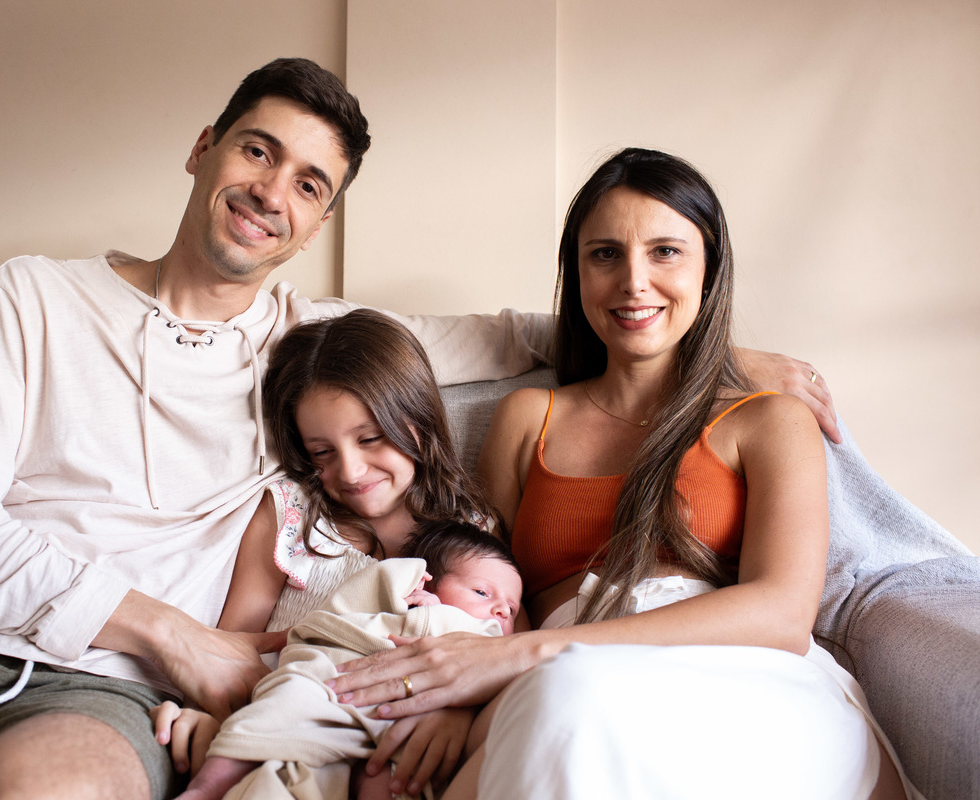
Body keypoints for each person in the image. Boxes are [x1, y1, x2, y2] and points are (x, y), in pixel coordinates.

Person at [0, 58, 548, 800]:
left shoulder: (313, 351)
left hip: (100, 690)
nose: (271, 192)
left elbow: (519, 336)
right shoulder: (30, 296)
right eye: (258, 151)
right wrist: (175, 636)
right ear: (202, 148)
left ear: (316, 227)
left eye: (308, 185)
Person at [327, 148, 922, 800]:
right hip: (551, 683)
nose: (634, 281)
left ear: (709, 268)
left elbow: (782, 613)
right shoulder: (528, 417)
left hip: (739, 676)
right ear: (577, 274)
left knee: (568, 697)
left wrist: (521, 658)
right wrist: (466, 690)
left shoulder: (771, 420)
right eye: (605, 254)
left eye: (665, 252)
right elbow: (486, 583)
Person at [153, 310, 502, 799]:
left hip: (399, 747)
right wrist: (204, 716)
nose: (351, 471)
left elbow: (504, 648)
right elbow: (231, 647)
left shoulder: (474, 531)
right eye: (322, 452)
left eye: (370, 439)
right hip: (286, 732)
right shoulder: (290, 516)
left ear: (419, 418)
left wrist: (459, 710)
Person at [155, 520, 521, 800]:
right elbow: (344, 618)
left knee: (391, 774)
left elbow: (505, 671)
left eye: (512, 609)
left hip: (402, 718)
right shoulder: (402, 594)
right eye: (482, 592)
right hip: (332, 688)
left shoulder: (490, 643)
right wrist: (421, 606)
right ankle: (207, 788)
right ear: (425, 581)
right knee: (283, 703)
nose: (501, 610)